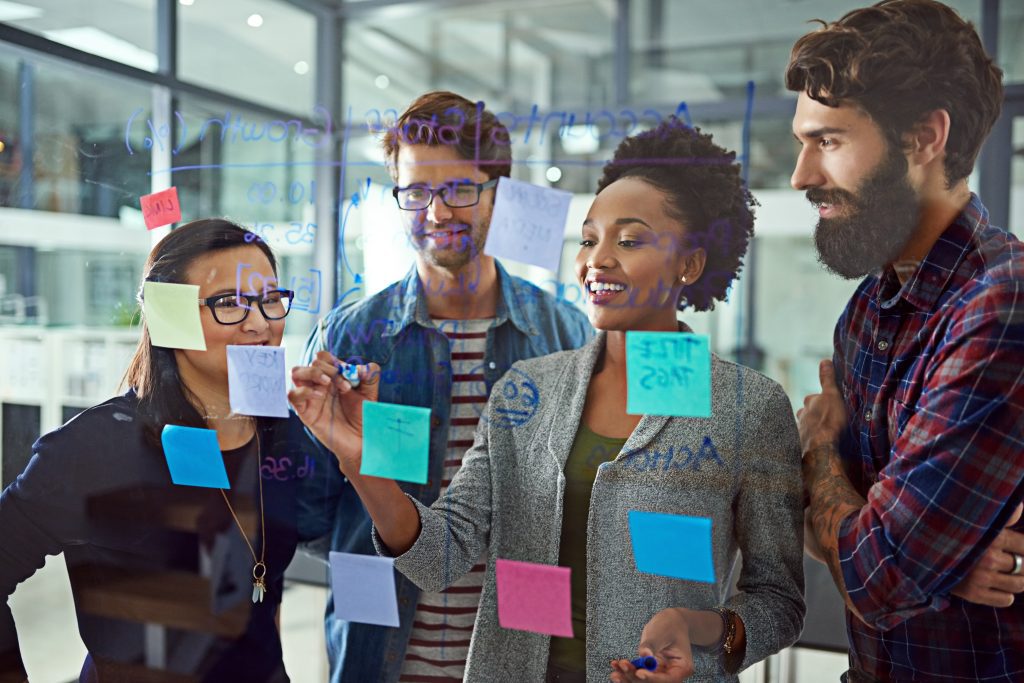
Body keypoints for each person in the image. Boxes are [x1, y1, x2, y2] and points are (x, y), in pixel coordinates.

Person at [291, 118, 805, 683]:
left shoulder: (746, 406)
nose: (597, 260)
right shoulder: (527, 387)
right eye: (588, 239)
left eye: (629, 240)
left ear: (690, 264)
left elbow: (777, 602)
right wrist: (363, 463)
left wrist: (699, 625)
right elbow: (441, 556)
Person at [299, 90, 593, 683]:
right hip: (380, 653)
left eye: (459, 189)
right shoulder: (353, 335)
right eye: (416, 191)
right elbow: (314, 506)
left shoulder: (563, 335)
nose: (436, 213)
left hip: (519, 658)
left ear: (499, 193)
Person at [788, 1, 1024, 681]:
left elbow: (879, 578)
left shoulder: (1001, 304)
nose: (802, 175)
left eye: (828, 140)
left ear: (924, 138)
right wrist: (939, 562)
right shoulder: (866, 310)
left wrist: (819, 454)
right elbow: (841, 542)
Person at [0, 219, 328, 682]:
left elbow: (263, 590)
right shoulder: (97, 446)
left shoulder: (282, 436)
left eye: (270, 299)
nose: (259, 323)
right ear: (168, 315)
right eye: (229, 303)